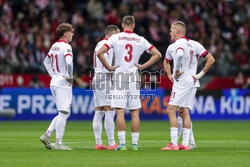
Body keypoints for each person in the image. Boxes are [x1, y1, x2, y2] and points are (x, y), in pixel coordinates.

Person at [97, 15, 162, 150]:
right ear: (133, 25)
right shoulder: (140, 39)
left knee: (120, 111)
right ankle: (135, 144)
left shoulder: (115, 38)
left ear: (122, 25)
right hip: (133, 77)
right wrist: (144, 65)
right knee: (135, 111)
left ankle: (121, 144)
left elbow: (99, 52)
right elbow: (158, 54)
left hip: (120, 76)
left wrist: (109, 67)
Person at [162, 21, 215, 150]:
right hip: (193, 81)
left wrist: (177, 70)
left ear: (177, 31)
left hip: (182, 81)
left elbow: (174, 57)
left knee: (170, 110)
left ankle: (173, 143)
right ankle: (186, 144)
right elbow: (211, 59)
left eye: (171, 30)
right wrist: (199, 75)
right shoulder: (195, 44)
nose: (170, 33)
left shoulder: (175, 46)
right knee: (184, 111)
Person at [40, 23, 74, 150]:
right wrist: (70, 76)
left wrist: (54, 75)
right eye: (71, 32)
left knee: (64, 113)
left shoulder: (54, 46)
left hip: (54, 81)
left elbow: (46, 61)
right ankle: (58, 143)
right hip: (63, 82)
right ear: (65, 33)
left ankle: (47, 134)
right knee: (64, 112)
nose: (72, 34)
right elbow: (69, 63)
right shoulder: (66, 47)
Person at [92, 25, 120, 150]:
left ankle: (98, 143)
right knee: (110, 109)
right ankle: (111, 143)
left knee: (99, 111)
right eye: (117, 35)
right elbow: (103, 60)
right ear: (112, 34)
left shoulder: (99, 44)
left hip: (97, 77)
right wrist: (112, 70)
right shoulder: (106, 46)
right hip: (104, 78)